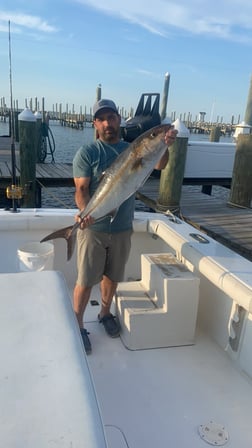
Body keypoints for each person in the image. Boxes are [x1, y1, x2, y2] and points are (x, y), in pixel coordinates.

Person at [72, 98, 178, 354]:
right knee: (86, 280)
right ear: (95, 124)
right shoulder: (88, 153)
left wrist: (165, 144)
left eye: (113, 117)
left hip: (122, 226)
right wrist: (85, 213)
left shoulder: (134, 148)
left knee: (113, 276)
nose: (108, 123)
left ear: (120, 119)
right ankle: (77, 326)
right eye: (102, 119)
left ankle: (105, 313)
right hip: (94, 229)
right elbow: (81, 190)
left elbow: (160, 165)